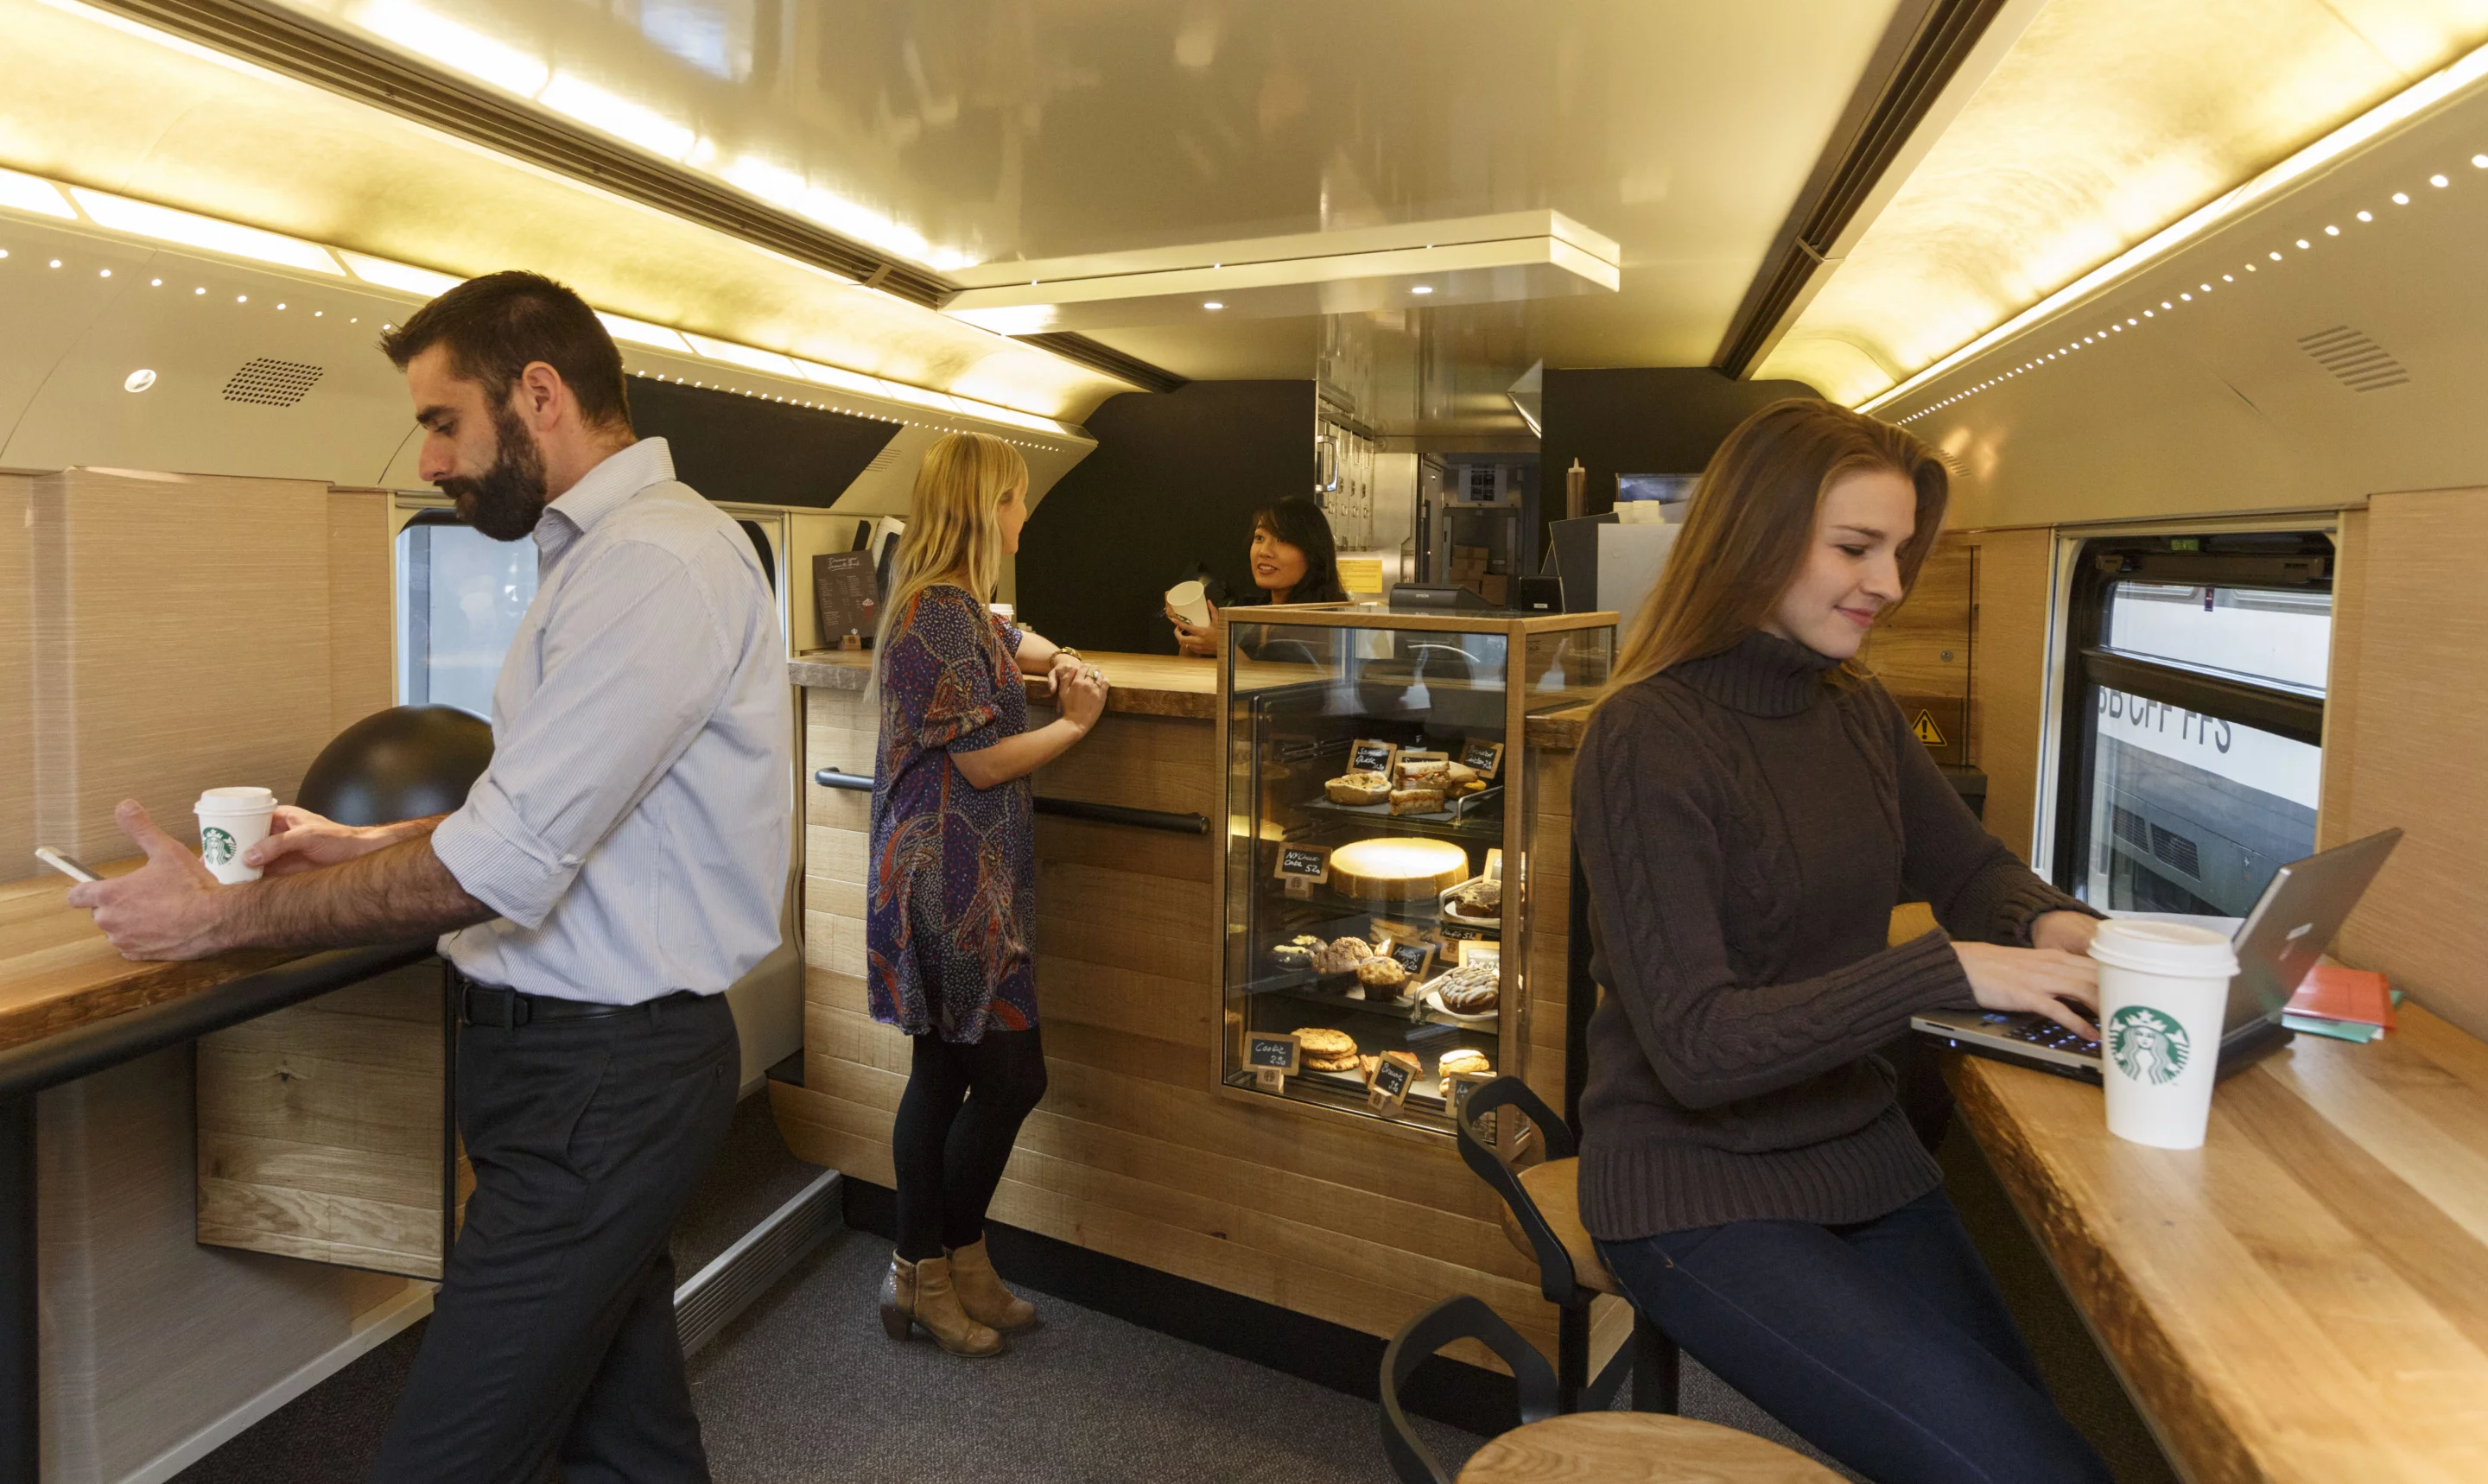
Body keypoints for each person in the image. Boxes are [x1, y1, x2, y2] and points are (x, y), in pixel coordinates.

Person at [67, 270, 788, 1483]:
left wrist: (218, 920)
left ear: (540, 393)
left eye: (444, 421)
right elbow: (552, 810)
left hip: (598, 1082)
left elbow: (496, 867)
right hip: (588, 1075)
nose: (431, 460)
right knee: (629, 1446)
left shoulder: (653, 566)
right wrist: (364, 844)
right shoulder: (611, 557)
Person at [1571, 398, 2114, 1484]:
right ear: (1755, 537)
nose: (1890, 583)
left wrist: (2064, 927)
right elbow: (1698, 1044)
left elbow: (1969, 868)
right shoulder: (1643, 737)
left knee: (2039, 1444)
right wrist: (1950, 969)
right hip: (1693, 1185)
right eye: (1857, 547)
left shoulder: (1858, 708)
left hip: (1862, 1152)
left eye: (1900, 551)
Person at [869, 431, 1108, 1357]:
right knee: (1011, 1076)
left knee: (943, 1072)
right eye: (1015, 497)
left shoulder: (957, 604)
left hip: (969, 873)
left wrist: (1064, 656)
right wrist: (1075, 723)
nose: (1024, 512)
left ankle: (945, 1266)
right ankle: (923, 1267)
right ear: (983, 508)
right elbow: (980, 762)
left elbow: (1010, 635)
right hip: (946, 881)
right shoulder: (935, 614)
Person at [1167, 496, 1349, 655]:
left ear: (1313, 553)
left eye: (1283, 540)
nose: (1264, 551)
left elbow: (1286, 680)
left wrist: (1222, 646)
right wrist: (1192, 628)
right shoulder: (1250, 616)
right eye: (1259, 538)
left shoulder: (1327, 623)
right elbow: (1190, 673)